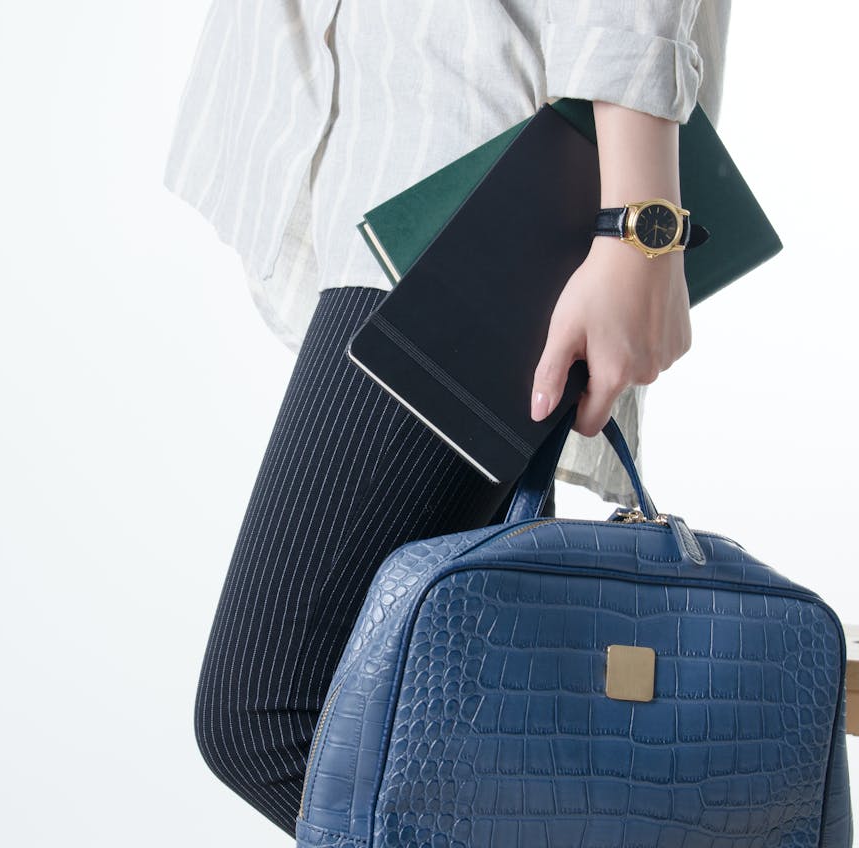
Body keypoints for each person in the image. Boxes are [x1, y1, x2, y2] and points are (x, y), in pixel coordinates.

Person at [162, 1, 730, 838]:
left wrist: (638, 228)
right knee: (444, 729)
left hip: (481, 177)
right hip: (396, 163)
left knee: (276, 716)